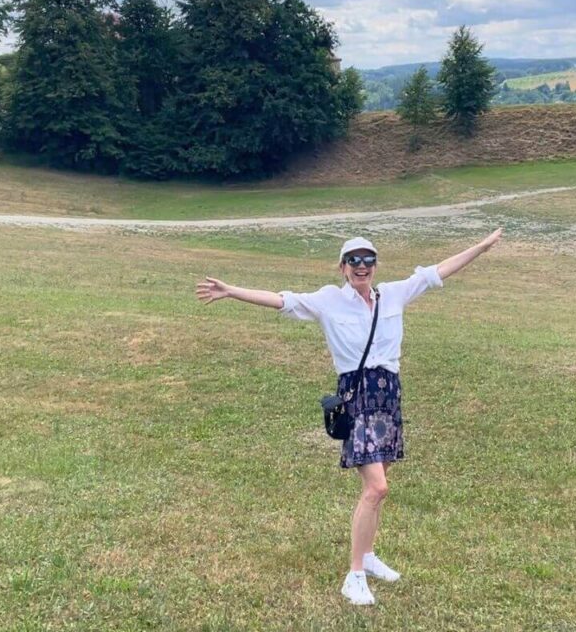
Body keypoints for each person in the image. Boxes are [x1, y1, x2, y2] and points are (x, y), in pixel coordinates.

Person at [195, 229, 503, 605]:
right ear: (342, 267)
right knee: (377, 488)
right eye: (354, 260)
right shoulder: (328, 301)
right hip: (356, 397)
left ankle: (369, 556)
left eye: (368, 260)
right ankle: (354, 574)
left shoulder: (393, 293)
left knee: (380, 484)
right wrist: (232, 291)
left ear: (375, 266)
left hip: (388, 393)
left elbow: (437, 272)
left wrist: (482, 247)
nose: (362, 266)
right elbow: (280, 300)